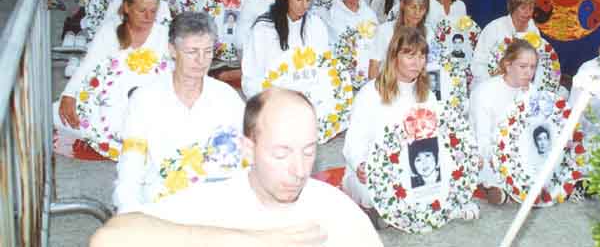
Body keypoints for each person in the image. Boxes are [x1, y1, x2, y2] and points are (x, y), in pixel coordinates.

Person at [90, 88, 383, 247]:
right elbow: (108, 238)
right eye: (281, 153)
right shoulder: (218, 199)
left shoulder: (334, 208)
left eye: (308, 151)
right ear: (248, 149)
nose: (299, 170)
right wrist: (256, 240)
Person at [113, 12, 246, 213]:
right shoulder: (145, 99)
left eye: (208, 51)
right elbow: (131, 164)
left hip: (216, 205)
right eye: (192, 52)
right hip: (160, 204)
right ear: (172, 50)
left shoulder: (227, 98)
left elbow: (245, 160)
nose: (201, 60)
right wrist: (127, 210)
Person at [54, 0, 169, 157]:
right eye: (142, 10)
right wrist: (69, 95)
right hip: (110, 103)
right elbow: (88, 64)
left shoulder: (164, 34)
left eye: (153, 11)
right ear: (127, 8)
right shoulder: (110, 30)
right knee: (57, 114)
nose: (148, 17)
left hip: (151, 107)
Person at [343, 27, 437, 211]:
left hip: (413, 170)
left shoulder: (428, 96)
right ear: (394, 57)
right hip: (373, 171)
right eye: (410, 55)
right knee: (373, 193)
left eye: (421, 56)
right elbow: (354, 142)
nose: (417, 63)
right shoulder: (370, 93)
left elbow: (433, 140)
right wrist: (360, 164)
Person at [469, 39, 538, 204]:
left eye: (532, 67)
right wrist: (506, 156)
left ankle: (512, 190)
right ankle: (496, 188)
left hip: (521, 152)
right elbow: (482, 139)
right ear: (508, 65)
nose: (528, 73)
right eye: (523, 66)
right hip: (490, 151)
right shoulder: (485, 91)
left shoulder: (533, 91)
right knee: (488, 168)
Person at [241, 0, 329, 98]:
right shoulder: (265, 27)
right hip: (274, 97)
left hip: (308, 98)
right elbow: (251, 76)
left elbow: (324, 66)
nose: (304, 5)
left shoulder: (316, 25)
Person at [471, 0, 541, 84]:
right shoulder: (494, 28)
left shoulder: (534, 31)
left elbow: (537, 65)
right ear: (513, 7)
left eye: (531, 8)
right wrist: (492, 85)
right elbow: (478, 63)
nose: (527, 13)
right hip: (490, 83)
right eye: (523, 8)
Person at [368, 0, 430, 79]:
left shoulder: (429, 33)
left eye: (422, 8)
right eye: (413, 7)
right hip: (388, 83)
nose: (417, 12)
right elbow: (374, 66)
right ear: (403, 5)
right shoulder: (385, 30)